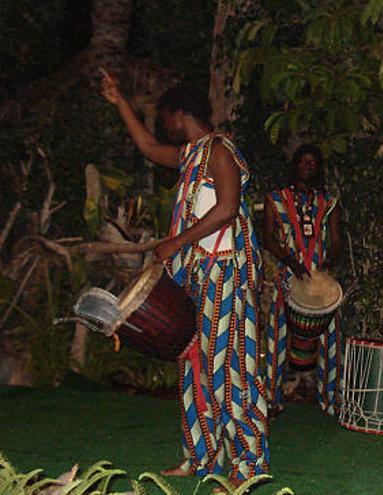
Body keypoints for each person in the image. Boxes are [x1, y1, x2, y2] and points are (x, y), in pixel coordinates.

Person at [100, 71, 269, 484]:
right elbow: (148, 147)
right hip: (197, 274)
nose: (164, 126)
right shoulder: (191, 154)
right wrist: (119, 100)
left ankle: (248, 467)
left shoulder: (219, 151)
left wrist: (176, 243)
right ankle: (202, 457)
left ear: (180, 114)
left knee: (229, 370)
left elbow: (227, 208)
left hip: (226, 273)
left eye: (165, 117)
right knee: (194, 365)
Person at [262, 144, 343, 415]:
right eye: (303, 162)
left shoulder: (328, 203)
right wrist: (292, 264)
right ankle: (272, 398)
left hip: (319, 281)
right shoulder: (276, 199)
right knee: (277, 338)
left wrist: (328, 263)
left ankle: (328, 399)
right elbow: (269, 238)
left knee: (329, 338)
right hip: (288, 277)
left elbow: (336, 240)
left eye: (313, 163)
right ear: (295, 164)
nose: (308, 166)